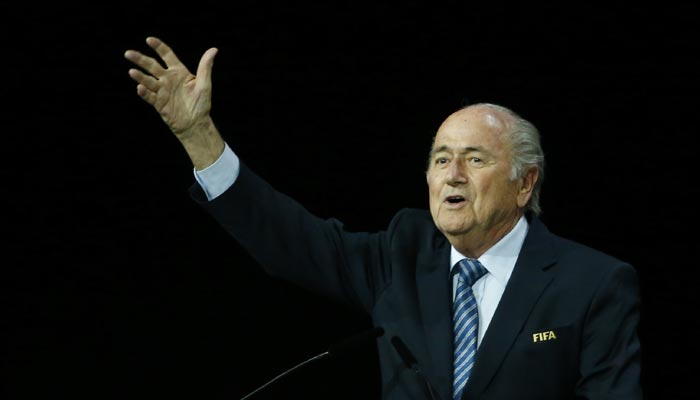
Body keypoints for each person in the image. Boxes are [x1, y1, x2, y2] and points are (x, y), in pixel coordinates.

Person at [124, 37, 643, 400]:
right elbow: (290, 240)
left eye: (475, 159)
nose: (452, 175)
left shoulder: (593, 284)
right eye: (441, 159)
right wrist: (199, 138)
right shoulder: (403, 253)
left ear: (525, 183)